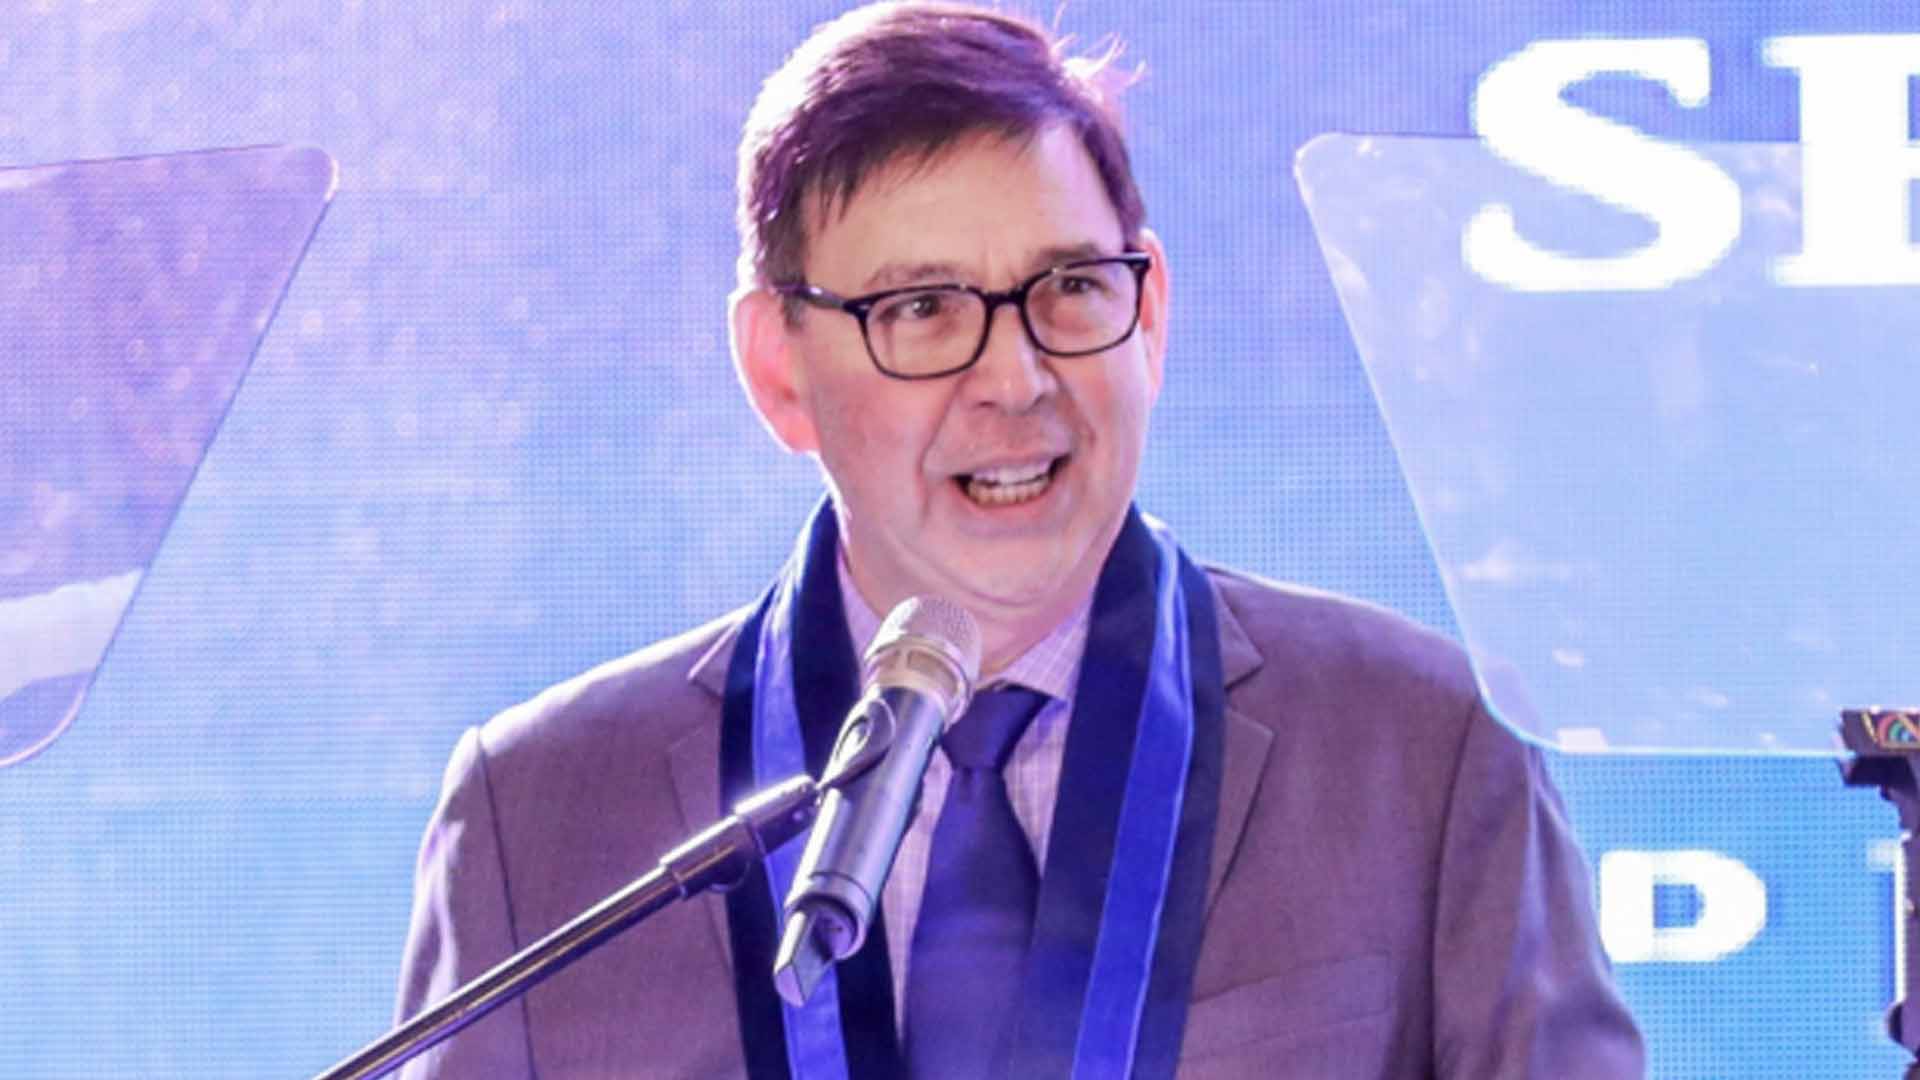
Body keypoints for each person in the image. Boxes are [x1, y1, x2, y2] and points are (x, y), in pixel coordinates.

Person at [394, 3, 1645, 1076]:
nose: (1015, 376)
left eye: (1071, 288)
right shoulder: (537, 815)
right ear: (778, 370)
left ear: (1151, 315)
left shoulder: (1421, 748)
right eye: (922, 309)